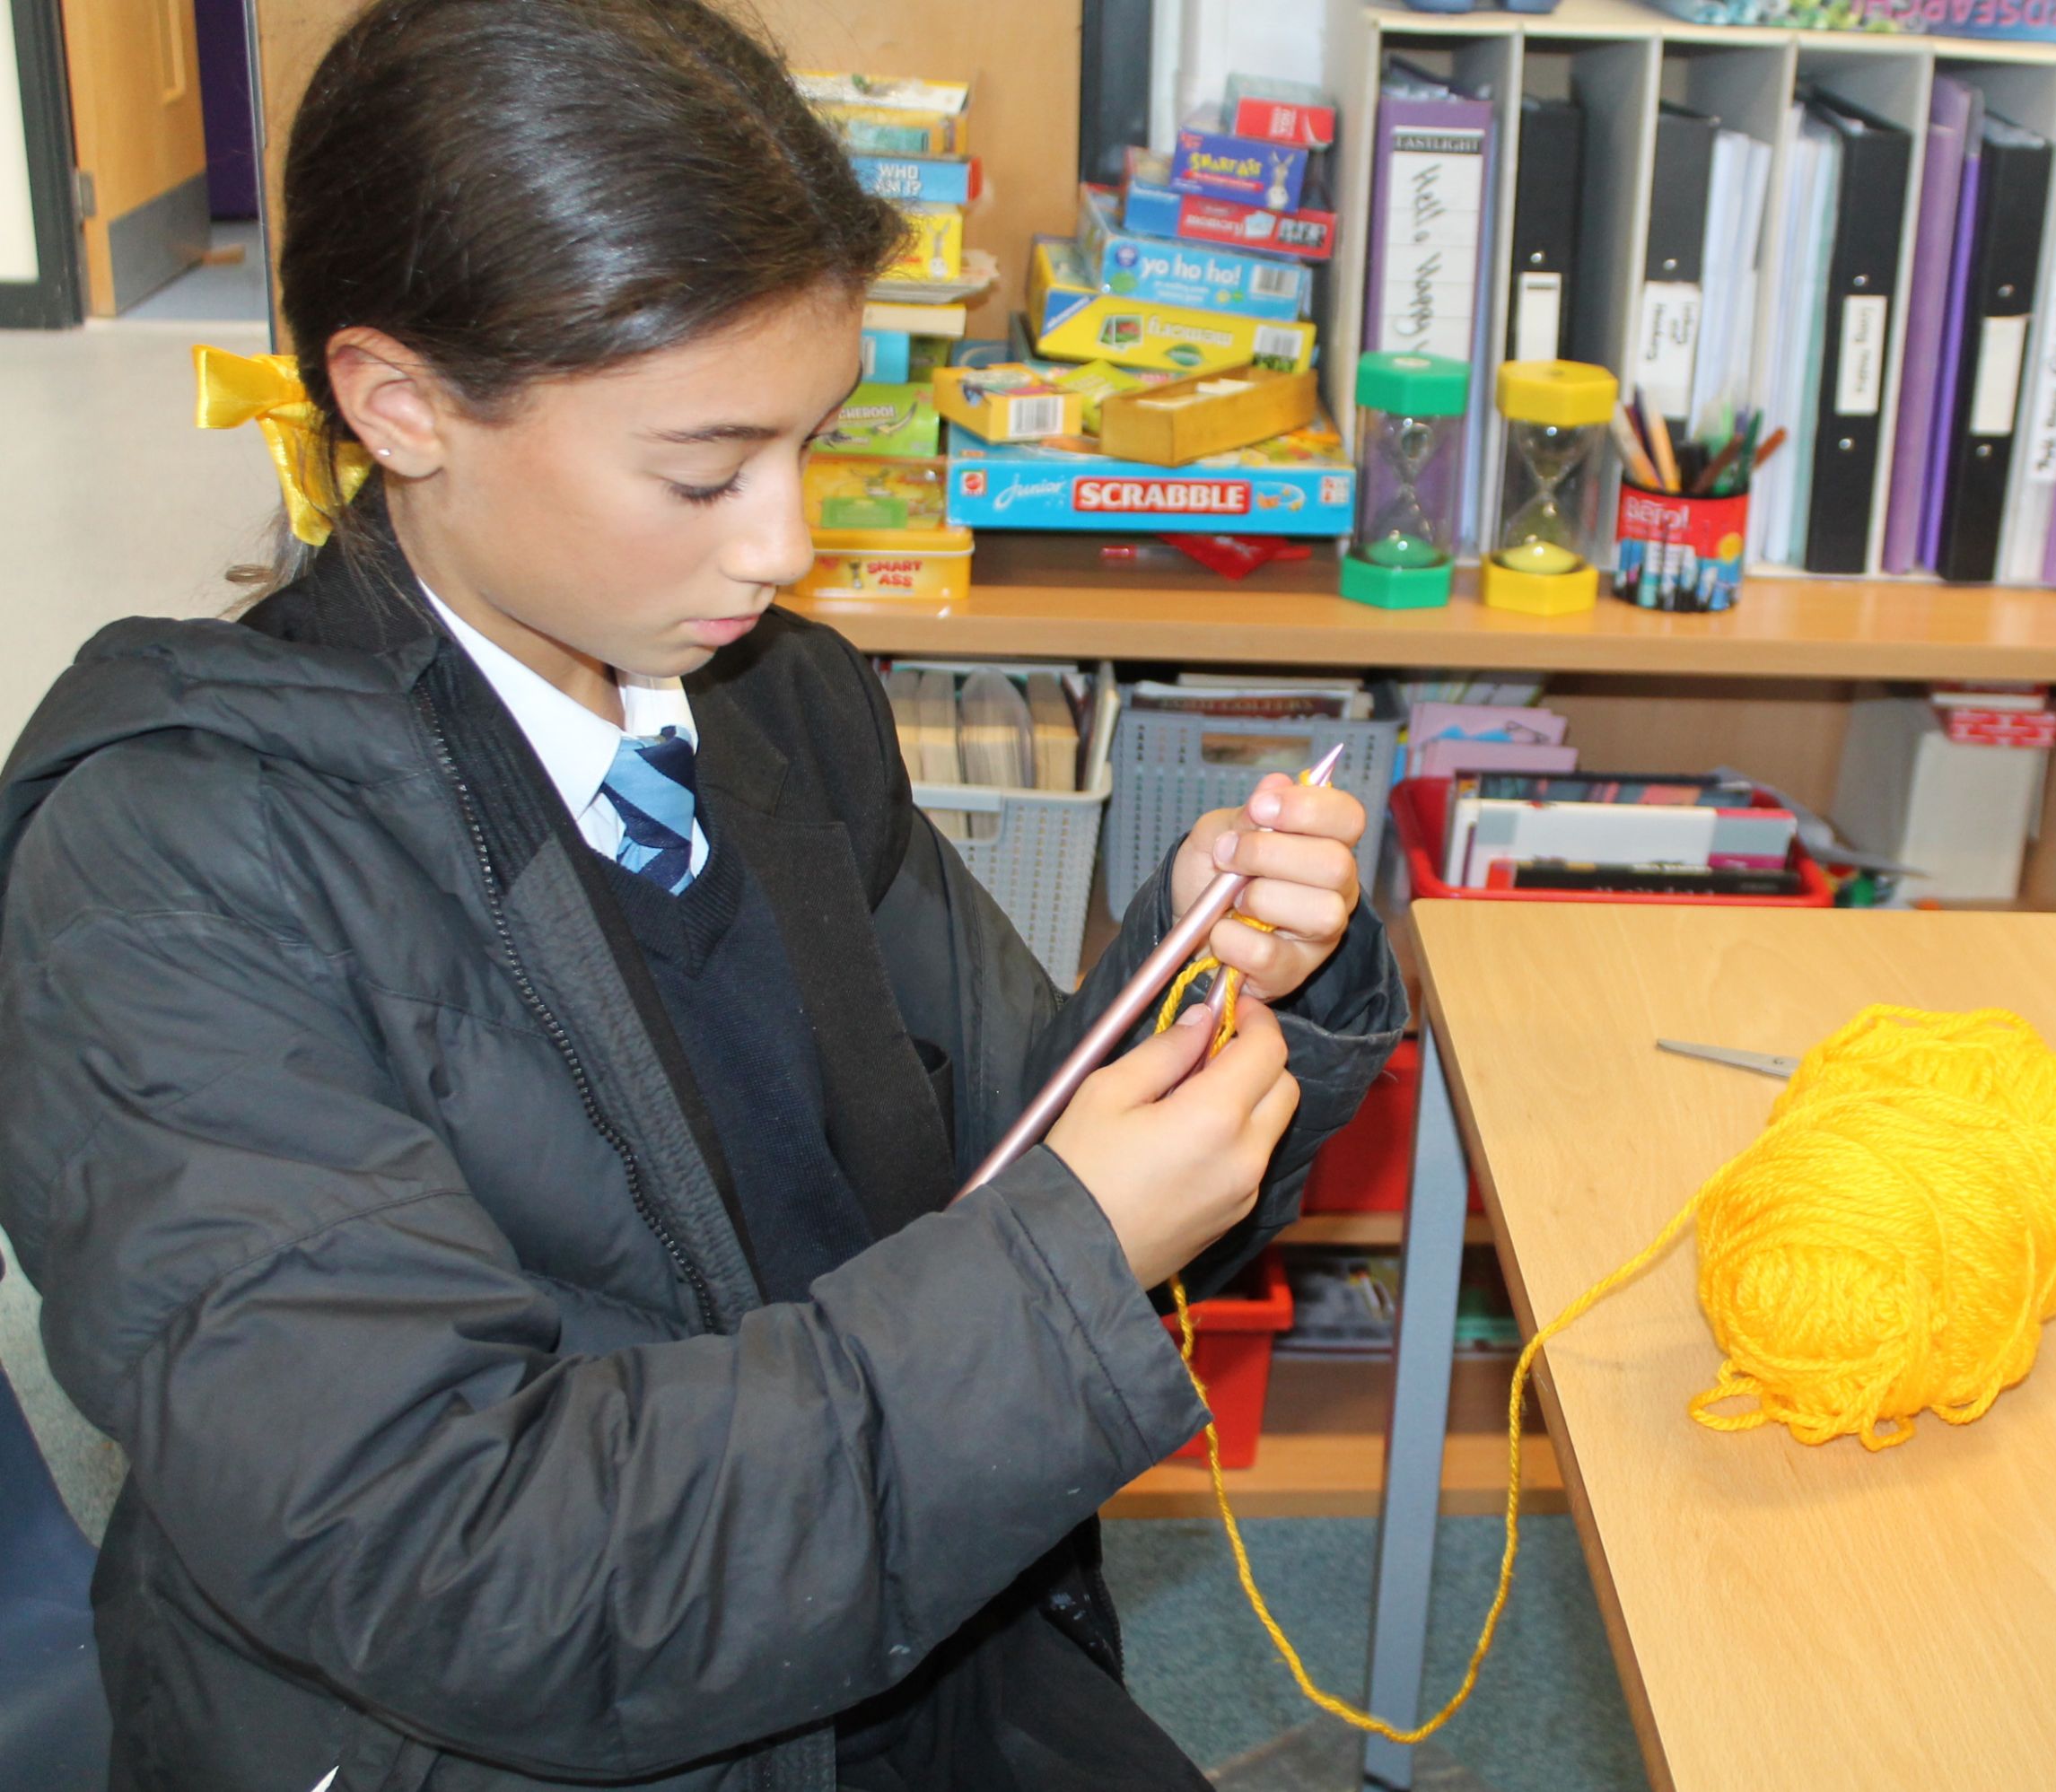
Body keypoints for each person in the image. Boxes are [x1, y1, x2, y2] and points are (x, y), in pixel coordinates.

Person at [0, 2, 1404, 1788]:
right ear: (400, 406)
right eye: (702, 471)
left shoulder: (770, 702)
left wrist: (1215, 992)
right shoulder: (167, 869)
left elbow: (999, 1158)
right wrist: (1061, 1265)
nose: (787, 542)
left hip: (889, 1623)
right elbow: (459, 1566)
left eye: (813, 443)